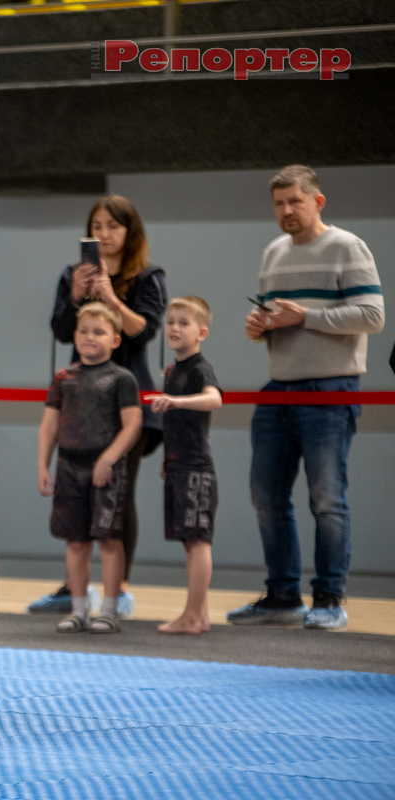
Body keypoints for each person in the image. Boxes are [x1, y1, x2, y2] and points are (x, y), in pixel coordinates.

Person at [230, 165, 385, 631]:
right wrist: (259, 327)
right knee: (266, 494)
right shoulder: (273, 252)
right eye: (279, 203)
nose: (286, 211)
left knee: (326, 497)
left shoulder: (347, 246)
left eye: (295, 201)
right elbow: (274, 318)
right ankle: (282, 597)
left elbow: (372, 315)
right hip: (279, 386)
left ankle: (329, 598)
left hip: (331, 386)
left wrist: (306, 317)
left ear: (318, 202)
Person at [32, 194, 166, 617]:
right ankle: (73, 589)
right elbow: (61, 330)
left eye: (113, 226)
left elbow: (143, 331)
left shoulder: (148, 276)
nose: (104, 234)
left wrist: (109, 294)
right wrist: (76, 294)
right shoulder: (73, 274)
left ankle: (117, 589)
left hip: (126, 396)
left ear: (130, 232)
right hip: (81, 396)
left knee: (116, 496)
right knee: (76, 497)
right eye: (97, 226)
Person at [37, 302, 142, 634]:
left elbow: (132, 425)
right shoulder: (63, 378)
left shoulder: (122, 379)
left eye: (98, 332)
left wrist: (109, 458)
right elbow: (49, 425)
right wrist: (43, 465)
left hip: (105, 470)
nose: (89, 337)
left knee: (109, 539)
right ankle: (79, 609)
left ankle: (109, 609)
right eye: (83, 331)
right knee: (75, 541)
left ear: (115, 339)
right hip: (69, 466)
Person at [146, 297, 222, 635]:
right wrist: (168, 459)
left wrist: (176, 401)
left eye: (184, 323)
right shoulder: (174, 370)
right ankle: (199, 614)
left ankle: (192, 615)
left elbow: (215, 398)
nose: (174, 328)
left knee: (198, 541)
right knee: (190, 541)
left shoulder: (200, 368)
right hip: (179, 463)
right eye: (171, 322)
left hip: (196, 466)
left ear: (202, 332)